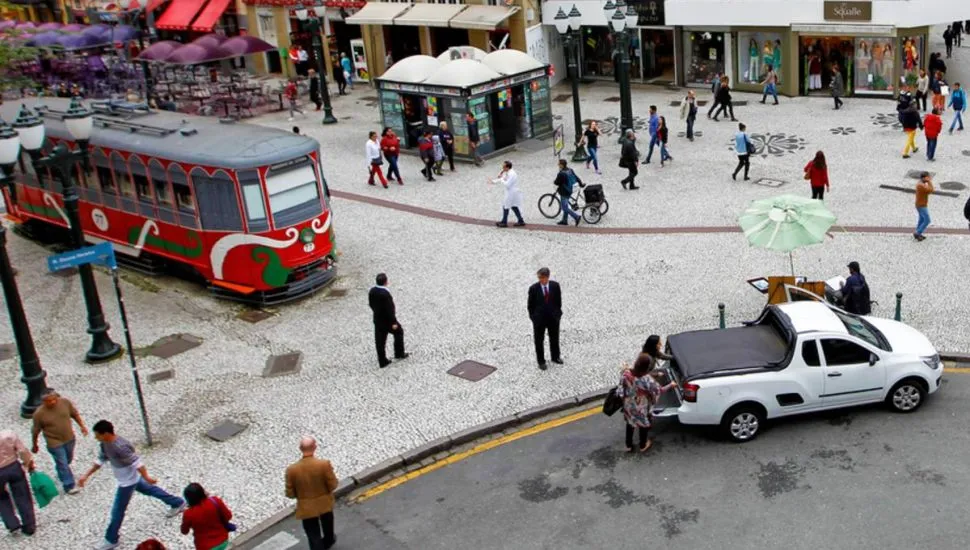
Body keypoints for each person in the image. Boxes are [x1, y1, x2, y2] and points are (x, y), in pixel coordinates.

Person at [79, 420, 185, 550]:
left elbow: (137, 462)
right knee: (150, 490)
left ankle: (111, 539)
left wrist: (147, 476)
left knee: (117, 511)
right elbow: (101, 459)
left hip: (127, 483)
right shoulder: (104, 444)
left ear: (106, 433)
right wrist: (86, 475)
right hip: (129, 479)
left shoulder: (120, 447)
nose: (96, 438)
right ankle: (177, 502)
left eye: (97, 435)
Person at [31, 388, 87, 495]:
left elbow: (74, 414)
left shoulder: (65, 402)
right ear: (43, 401)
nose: (52, 402)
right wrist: (34, 444)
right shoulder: (39, 414)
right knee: (63, 463)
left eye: (53, 399)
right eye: (48, 401)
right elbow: (35, 431)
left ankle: (62, 472)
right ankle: (69, 485)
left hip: (69, 438)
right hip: (54, 442)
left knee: (67, 460)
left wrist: (82, 426)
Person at [286, 437, 339, 550]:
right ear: (315, 447)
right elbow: (333, 485)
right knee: (328, 527)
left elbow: (290, 493)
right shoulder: (324, 464)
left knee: (312, 533)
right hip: (324, 503)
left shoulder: (291, 470)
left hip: (306, 507)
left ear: (300, 449)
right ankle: (328, 542)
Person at [619, 354, 677, 453]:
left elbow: (621, 389)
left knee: (630, 422)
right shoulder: (646, 379)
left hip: (628, 403)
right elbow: (659, 390)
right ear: (646, 367)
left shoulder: (626, 374)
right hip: (641, 405)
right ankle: (643, 444)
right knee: (643, 424)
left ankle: (628, 445)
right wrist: (671, 385)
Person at [368, 273, 408, 368]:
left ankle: (382, 360)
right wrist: (393, 322)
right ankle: (399, 353)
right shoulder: (385, 294)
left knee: (380, 341)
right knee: (399, 332)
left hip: (377, 319)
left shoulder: (372, 291)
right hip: (387, 321)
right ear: (386, 282)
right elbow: (390, 309)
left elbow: (371, 304)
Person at [0, 430, 35, 536]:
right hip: (13, 467)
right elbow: (23, 451)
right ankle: (29, 525)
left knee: (1, 498)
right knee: (22, 496)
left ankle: (12, 523)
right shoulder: (8, 435)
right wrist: (27, 463)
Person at [527, 267, 562, 370]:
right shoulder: (533, 289)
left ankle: (555, 357)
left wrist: (557, 314)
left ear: (547, 277)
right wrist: (534, 318)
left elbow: (558, 301)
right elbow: (530, 306)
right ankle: (541, 361)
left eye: (542, 278)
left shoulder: (555, 286)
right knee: (539, 341)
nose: (540, 280)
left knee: (554, 338)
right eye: (539, 278)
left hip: (553, 318)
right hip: (539, 320)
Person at [180, 483, 233, 550]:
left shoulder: (188, 514)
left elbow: (184, 531)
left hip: (204, 546)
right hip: (223, 540)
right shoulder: (215, 501)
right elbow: (229, 516)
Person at [491, 160, 525, 228]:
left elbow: (507, 184)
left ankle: (504, 222)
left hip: (511, 192)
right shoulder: (508, 172)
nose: (502, 168)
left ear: (507, 167)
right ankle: (520, 220)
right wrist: (494, 181)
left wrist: (501, 180)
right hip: (511, 192)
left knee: (506, 206)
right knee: (513, 206)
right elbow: (504, 178)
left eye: (503, 167)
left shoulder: (512, 174)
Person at [553, 159, 583, 226]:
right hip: (571, 189)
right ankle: (564, 220)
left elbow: (556, 182)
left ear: (562, 165)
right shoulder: (570, 170)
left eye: (559, 164)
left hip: (564, 192)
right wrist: (581, 183)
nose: (558, 165)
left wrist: (555, 180)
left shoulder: (561, 174)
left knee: (564, 207)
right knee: (565, 205)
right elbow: (576, 177)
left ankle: (576, 217)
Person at [914, 172, 933, 241]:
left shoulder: (921, 184)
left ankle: (917, 232)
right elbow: (931, 190)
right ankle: (918, 233)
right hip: (921, 205)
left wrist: (927, 182)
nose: (929, 178)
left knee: (921, 219)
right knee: (927, 220)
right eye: (928, 177)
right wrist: (929, 182)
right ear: (924, 178)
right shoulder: (921, 186)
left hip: (920, 204)